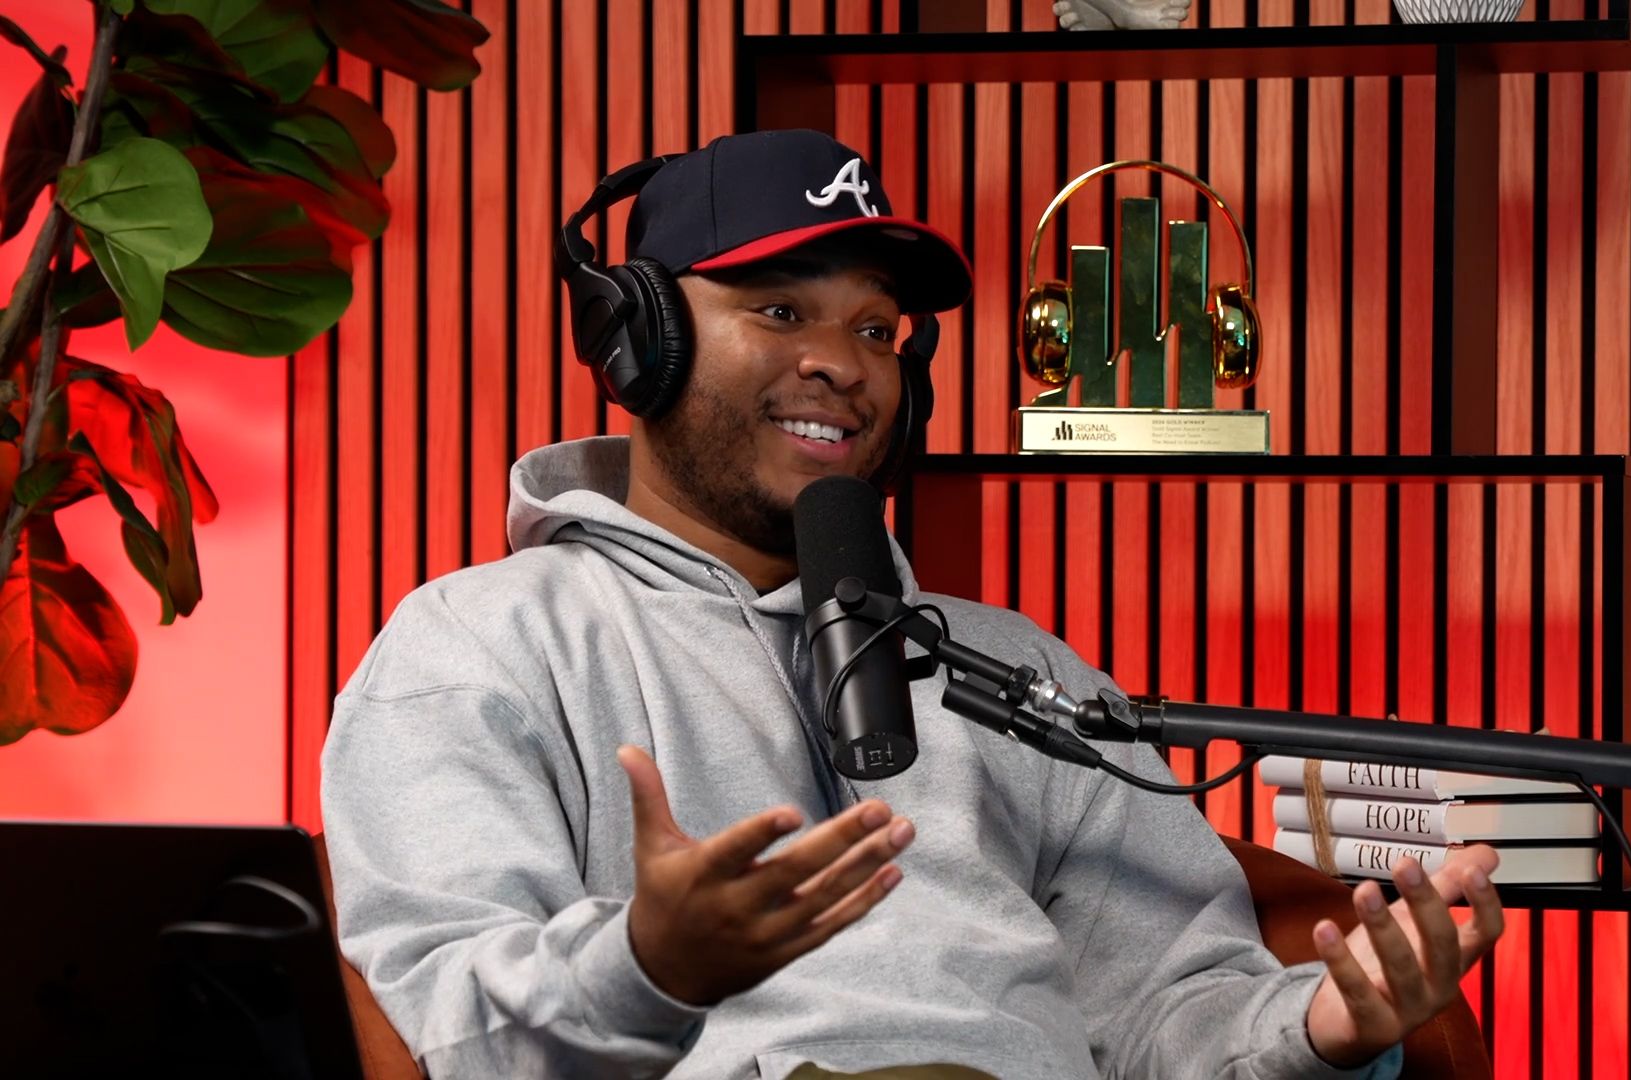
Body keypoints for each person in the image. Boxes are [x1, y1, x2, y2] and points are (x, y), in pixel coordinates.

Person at [320, 128, 1505, 1080]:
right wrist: (653, 964)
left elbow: (1168, 1011)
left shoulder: (1017, 672)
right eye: (781, 310)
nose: (845, 360)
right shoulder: (475, 647)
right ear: (641, 335)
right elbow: (453, 1034)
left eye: (879, 329)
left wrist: (1323, 1031)